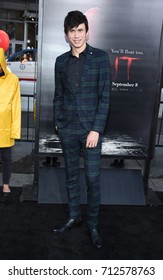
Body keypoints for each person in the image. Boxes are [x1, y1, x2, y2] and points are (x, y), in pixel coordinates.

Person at [53, 11, 111, 248]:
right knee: (71, 178)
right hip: (68, 128)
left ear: (87, 31)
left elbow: (105, 96)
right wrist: (58, 122)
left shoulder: (100, 58)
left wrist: (96, 129)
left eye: (80, 30)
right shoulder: (60, 62)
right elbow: (59, 96)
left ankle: (93, 224)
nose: (76, 35)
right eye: (71, 31)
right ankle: (74, 215)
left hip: (91, 131)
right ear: (66, 35)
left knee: (93, 178)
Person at [0, 47, 21, 197]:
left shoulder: (13, 80)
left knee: (6, 159)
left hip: (5, 129)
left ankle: (6, 184)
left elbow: (16, 106)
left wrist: (15, 130)